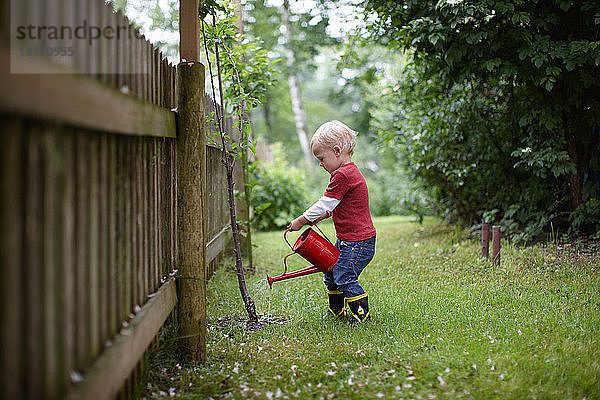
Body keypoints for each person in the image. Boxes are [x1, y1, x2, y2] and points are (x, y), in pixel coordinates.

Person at [287, 120, 376, 323]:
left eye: (321, 158)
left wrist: (301, 220)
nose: (320, 164)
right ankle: (337, 310)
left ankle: (361, 314)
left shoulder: (343, 175)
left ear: (337, 151)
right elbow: (334, 206)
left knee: (344, 276)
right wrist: (320, 217)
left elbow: (325, 204)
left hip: (358, 243)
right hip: (350, 241)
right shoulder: (348, 172)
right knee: (331, 272)